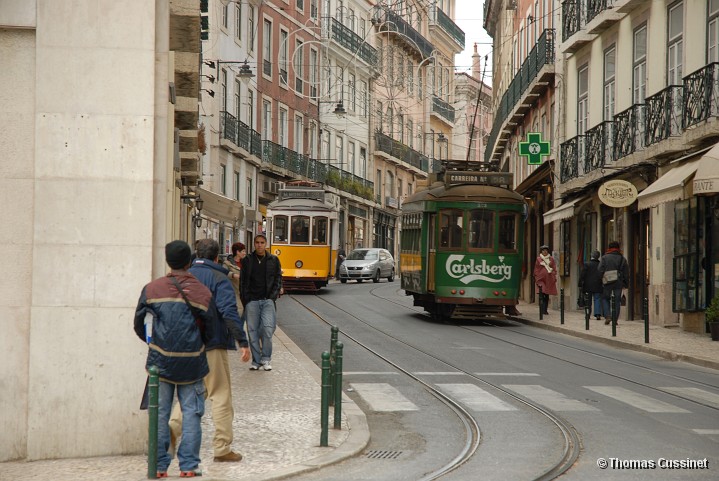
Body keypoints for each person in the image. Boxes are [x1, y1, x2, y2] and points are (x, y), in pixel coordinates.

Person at [133, 240, 213, 478]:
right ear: (189, 261)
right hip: (192, 361)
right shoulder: (202, 291)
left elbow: (139, 324)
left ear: (167, 261)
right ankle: (188, 466)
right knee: (191, 413)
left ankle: (158, 465)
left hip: (161, 362)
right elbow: (210, 329)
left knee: (159, 413)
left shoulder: (151, 289)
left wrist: (154, 343)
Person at [170, 239, 251, 463]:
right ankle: (222, 447)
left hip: (186, 345)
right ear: (217, 257)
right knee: (220, 393)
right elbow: (228, 310)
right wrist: (242, 341)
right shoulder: (219, 278)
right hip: (211, 343)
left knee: (194, 392)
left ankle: (172, 428)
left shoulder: (182, 277)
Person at [241, 234, 283, 371]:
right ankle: (256, 361)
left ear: (266, 244)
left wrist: (272, 296)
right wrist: (245, 299)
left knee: (267, 329)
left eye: (262, 242)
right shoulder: (248, 260)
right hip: (252, 301)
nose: (259, 245)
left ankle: (266, 359)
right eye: (257, 242)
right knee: (252, 331)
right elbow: (243, 281)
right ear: (254, 244)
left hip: (267, 300)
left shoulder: (273, 260)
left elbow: (278, 279)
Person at [598, 240, 630, 325]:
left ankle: (608, 315)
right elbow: (626, 272)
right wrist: (626, 283)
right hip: (618, 281)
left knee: (605, 298)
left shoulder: (604, 258)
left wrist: (601, 279)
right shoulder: (622, 258)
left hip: (607, 281)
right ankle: (615, 319)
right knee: (617, 300)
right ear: (618, 248)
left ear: (609, 248)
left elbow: (600, 270)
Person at [579, 250, 604, 320]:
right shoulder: (600, 264)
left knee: (588, 300)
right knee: (597, 299)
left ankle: (587, 314)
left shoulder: (587, 264)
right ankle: (598, 314)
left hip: (588, 285)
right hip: (598, 284)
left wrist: (580, 283)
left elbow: (582, 275)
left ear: (592, 256)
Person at [223, 242, 246, 315]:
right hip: (234, 293)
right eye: (243, 251)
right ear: (237, 252)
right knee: (239, 311)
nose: (244, 253)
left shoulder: (246, 263)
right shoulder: (227, 263)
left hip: (245, 294)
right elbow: (223, 273)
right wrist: (233, 275)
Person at [534, 245, 558, 315]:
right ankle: (541, 308)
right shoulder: (539, 259)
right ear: (541, 251)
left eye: (546, 250)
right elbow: (536, 269)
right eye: (543, 250)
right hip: (541, 279)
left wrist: (553, 274)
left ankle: (545, 310)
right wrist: (537, 276)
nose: (545, 251)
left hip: (549, 279)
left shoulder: (551, 259)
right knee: (542, 293)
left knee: (546, 294)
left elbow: (553, 267)